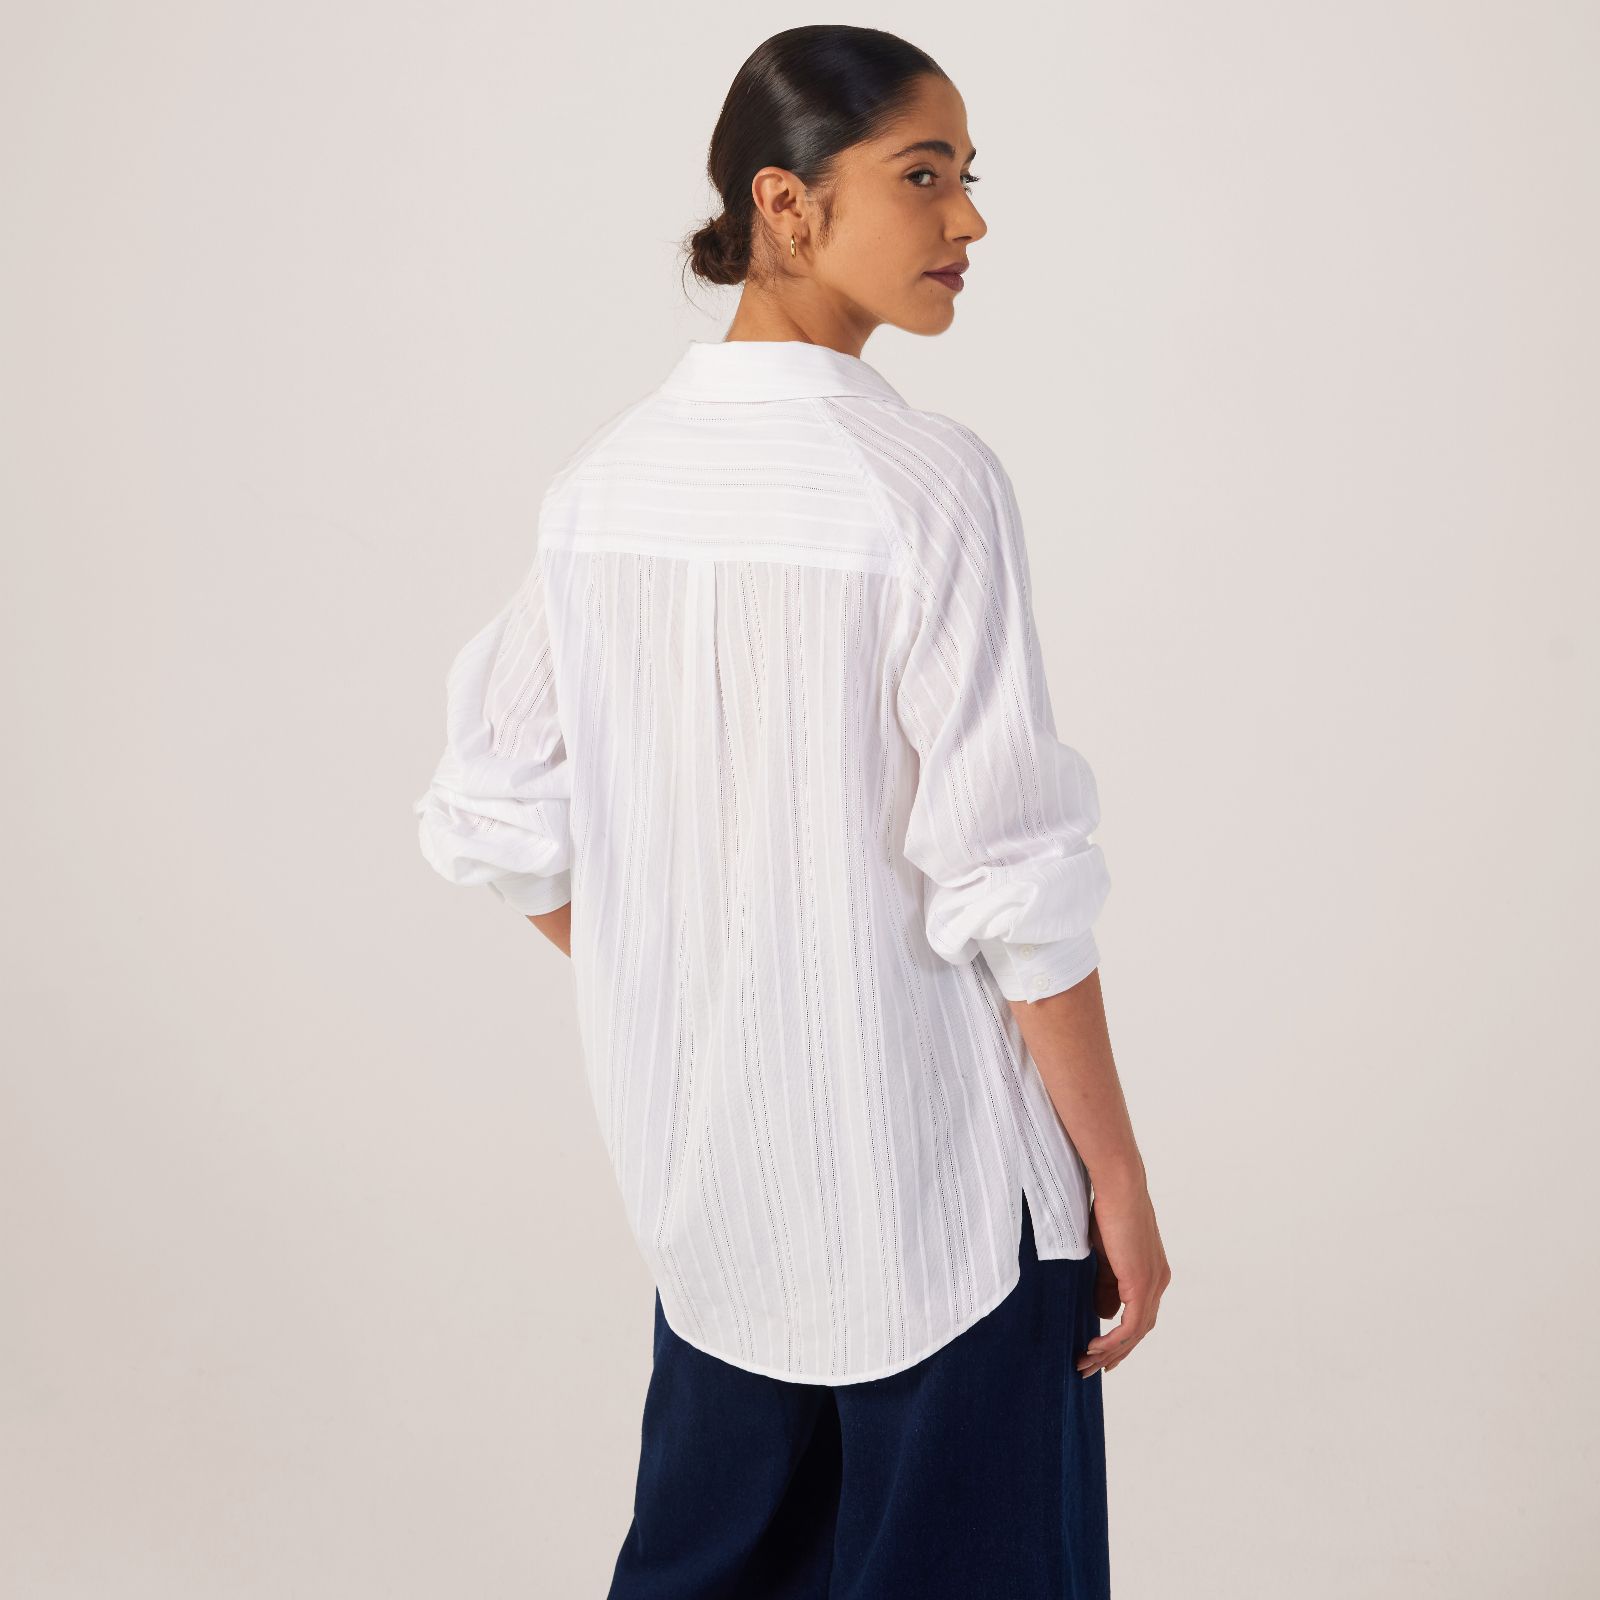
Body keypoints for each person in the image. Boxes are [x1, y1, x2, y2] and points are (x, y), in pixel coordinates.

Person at [413, 24, 1170, 1598]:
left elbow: (489, 804)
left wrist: (709, 985)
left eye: (968, 178)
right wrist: (1117, 1175)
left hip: (720, 1204)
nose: (970, 220)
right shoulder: (925, 484)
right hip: (952, 1205)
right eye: (924, 176)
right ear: (787, 201)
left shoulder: (604, 488)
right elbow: (1015, 878)